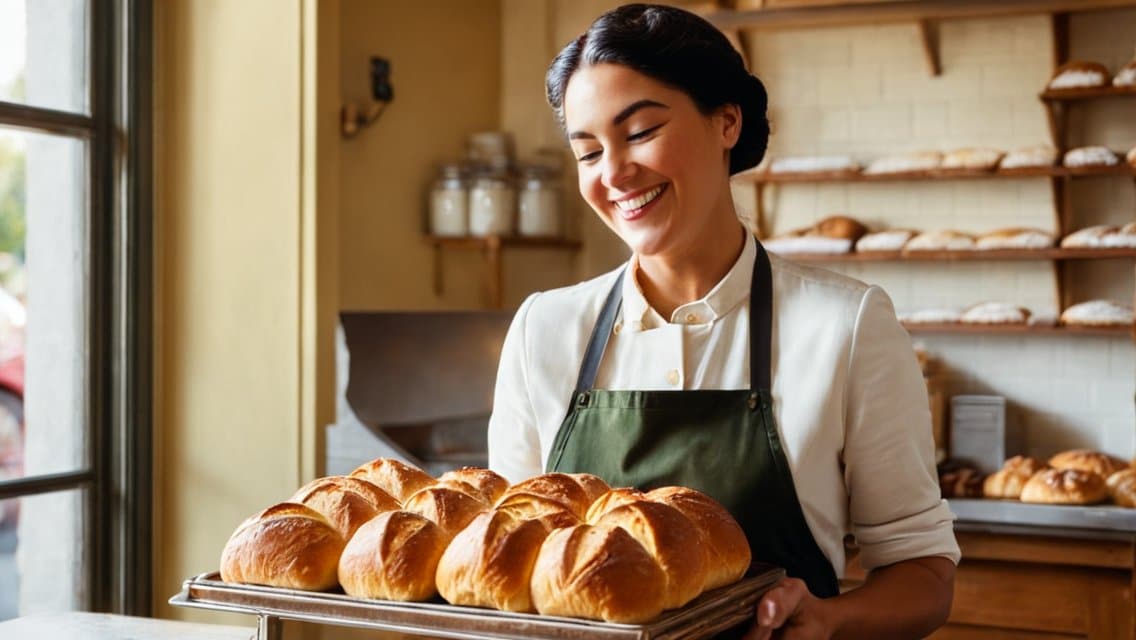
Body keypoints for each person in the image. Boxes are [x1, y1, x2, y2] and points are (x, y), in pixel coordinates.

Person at [487, 4, 959, 638]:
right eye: (589, 150)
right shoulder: (545, 328)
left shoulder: (844, 325)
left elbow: (923, 575)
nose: (614, 173)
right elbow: (509, 564)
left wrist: (828, 620)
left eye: (641, 131)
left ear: (726, 121)